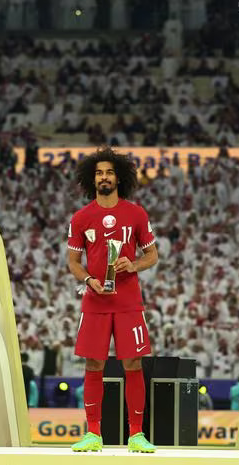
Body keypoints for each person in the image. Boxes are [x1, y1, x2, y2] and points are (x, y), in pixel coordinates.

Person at [66, 147, 159, 453]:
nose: (104, 177)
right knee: (94, 363)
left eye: (108, 172)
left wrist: (133, 265)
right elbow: (73, 262)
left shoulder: (136, 213)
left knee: (133, 363)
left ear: (118, 177)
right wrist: (89, 280)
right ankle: (93, 433)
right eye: (98, 173)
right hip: (95, 301)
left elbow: (152, 255)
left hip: (129, 301)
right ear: (91, 179)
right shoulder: (81, 217)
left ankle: (136, 434)